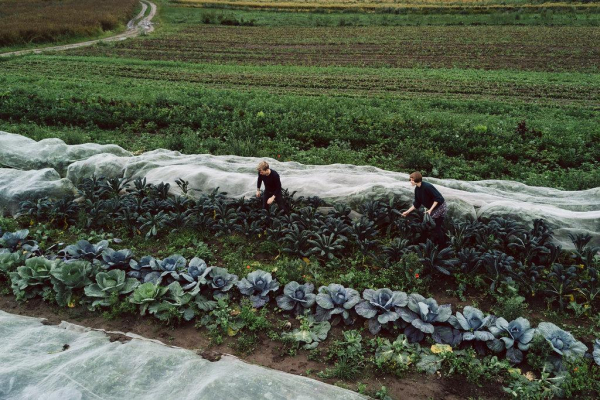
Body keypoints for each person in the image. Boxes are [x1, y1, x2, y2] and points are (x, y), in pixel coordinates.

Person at [401, 171, 448, 247]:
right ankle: (431, 243)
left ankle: (442, 246)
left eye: (412, 180)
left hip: (440, 207)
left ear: (416, 180)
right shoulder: (417, 189)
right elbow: (417, 204)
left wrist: (430, 210)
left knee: (435, 227)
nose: (410, 182)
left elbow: (438, 198)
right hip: (432, 209)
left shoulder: (427, 187)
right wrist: (407, 212)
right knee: (431, 226)